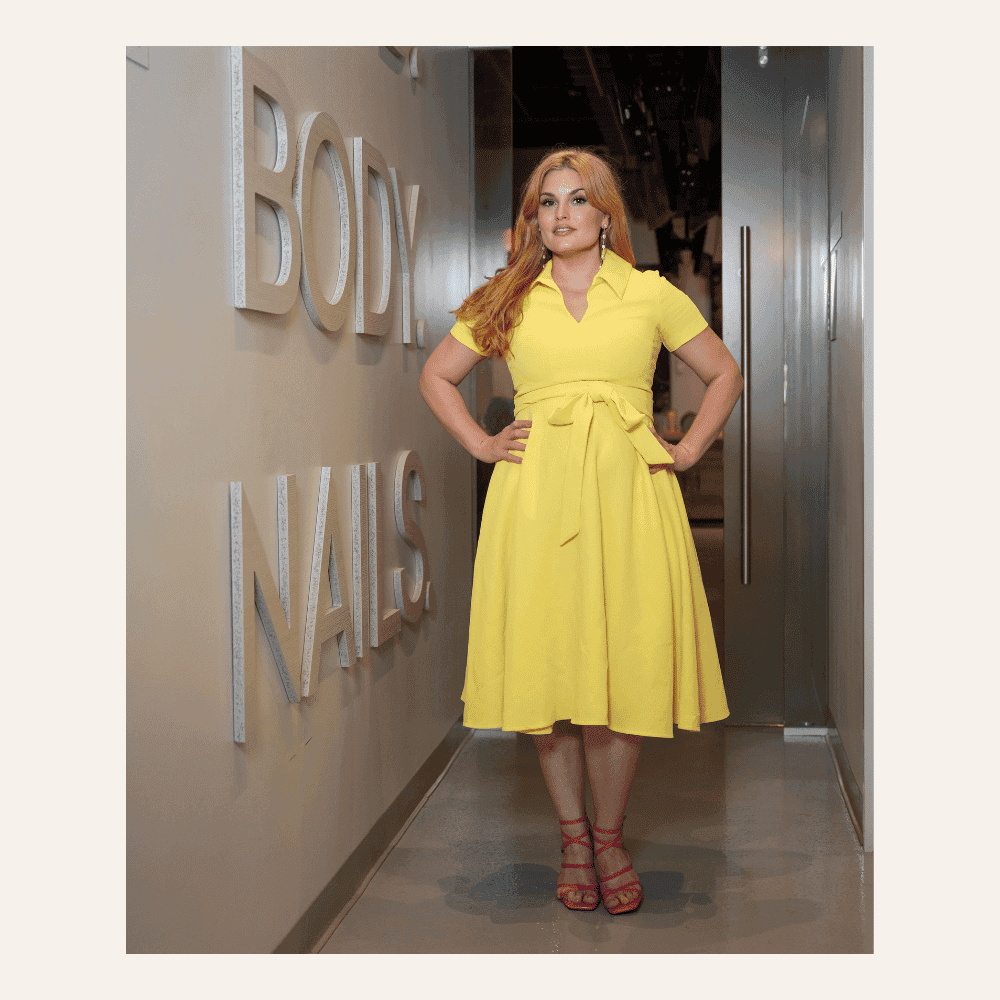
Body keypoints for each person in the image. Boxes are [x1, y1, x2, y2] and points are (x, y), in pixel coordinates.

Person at [419, 148, 743, 915]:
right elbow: (436, 375)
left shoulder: (648, 293)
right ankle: (571, 836)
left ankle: (608, 837)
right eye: (546, 203)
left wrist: (690, 448)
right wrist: (481, 444)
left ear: (605, 215)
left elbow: (723, 372)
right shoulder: (507, 296)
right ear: (534, 219)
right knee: (547, 666)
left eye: (576, 200)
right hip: (534, 499)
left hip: (630, 496)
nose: (560, 214)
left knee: (618, 669)